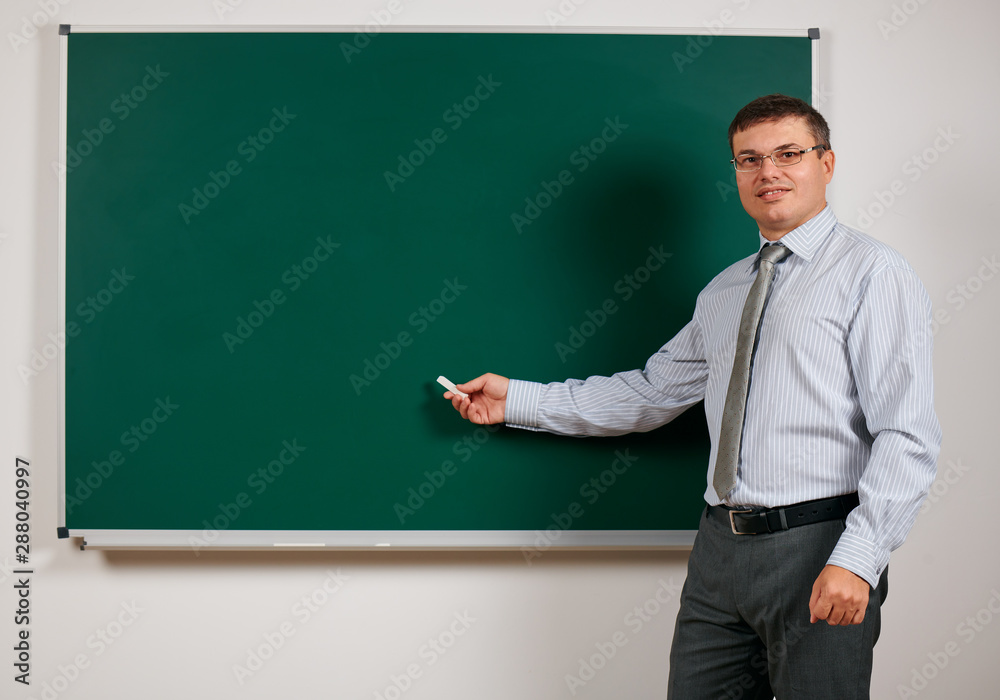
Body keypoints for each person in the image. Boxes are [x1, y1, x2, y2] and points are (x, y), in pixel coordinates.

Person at [443, 94, 941, 699]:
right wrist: (517, 401)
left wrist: (859, 556)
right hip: (717, 552)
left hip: (820, 543)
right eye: (748, 159)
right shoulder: (726, 290)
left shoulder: (874, 273)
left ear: (827, 163)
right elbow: (651, 392)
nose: (768, 173)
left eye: (789, 154)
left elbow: (907, 434)